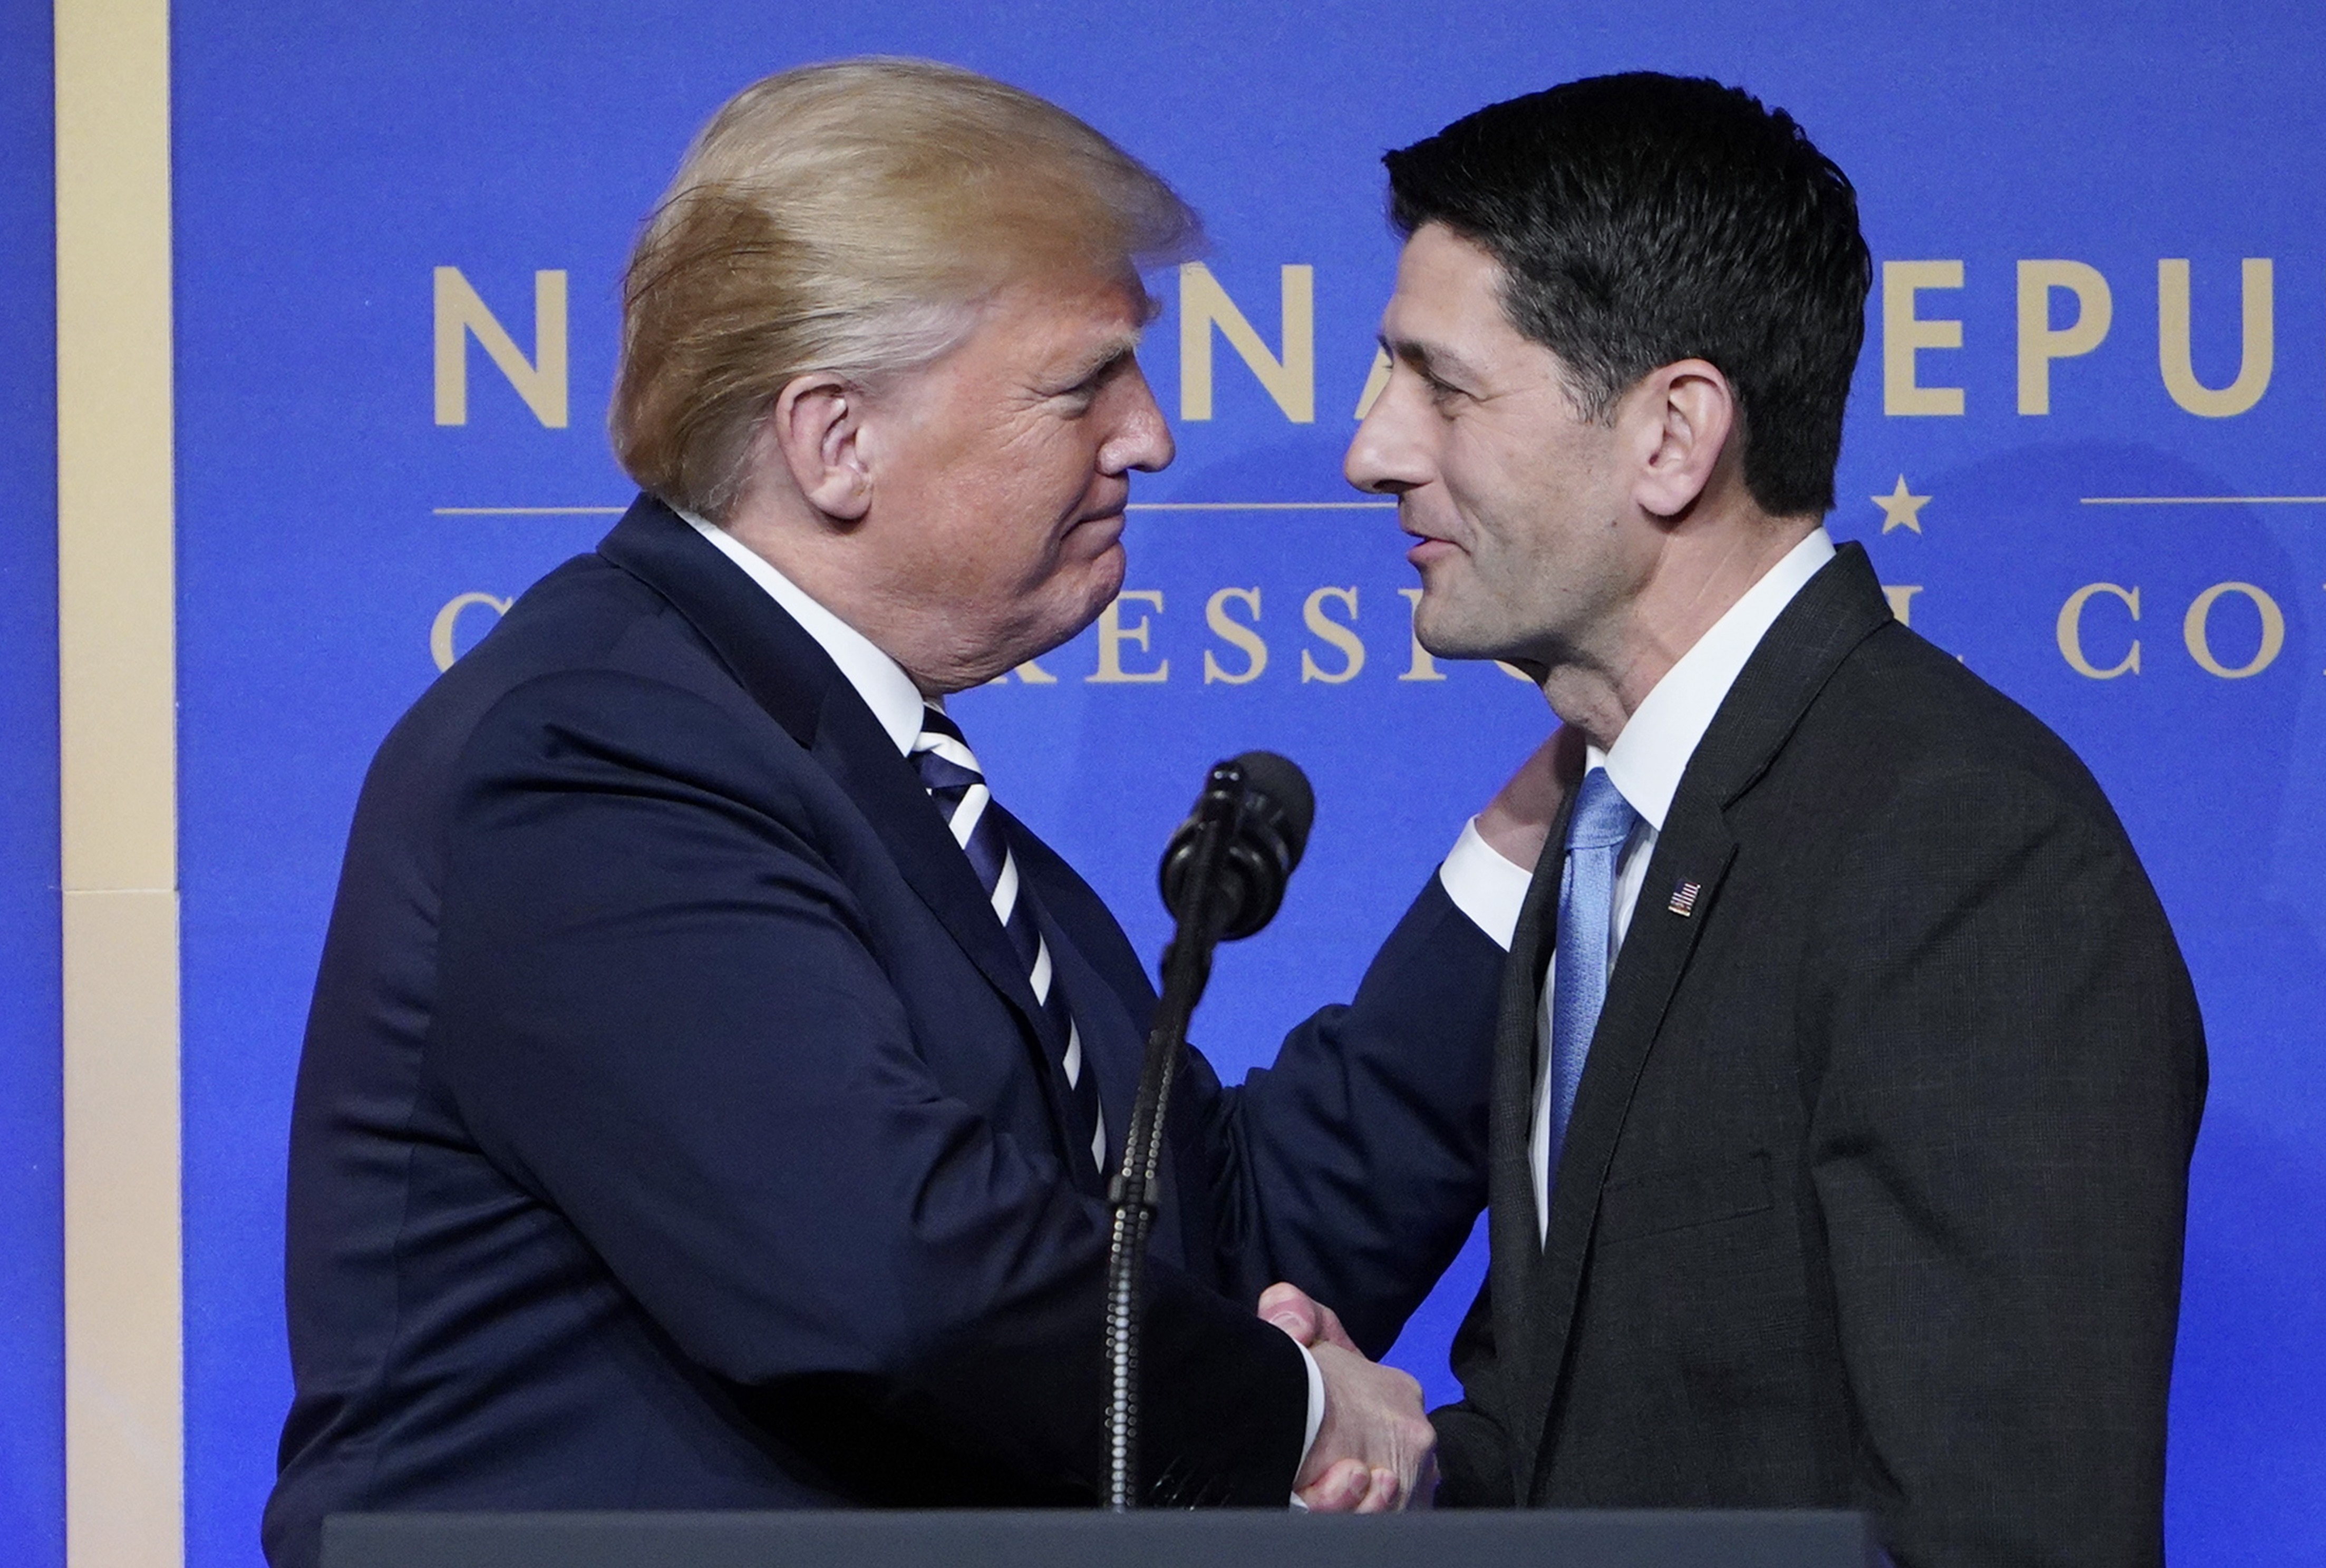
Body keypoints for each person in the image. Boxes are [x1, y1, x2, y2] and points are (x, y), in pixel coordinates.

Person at [264, 60, 1503, 1565]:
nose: (1148, 436)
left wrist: (1531, 848)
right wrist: (1299, 1419)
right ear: (834, 439)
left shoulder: (890, 784)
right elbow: (889, 1272)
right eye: (1081, 381)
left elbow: (1200, 1247)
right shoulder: (598, 747)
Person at [1294, 72, 2207, 1566]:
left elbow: (2012, 1533)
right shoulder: (1607, 832)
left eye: (1438, 385)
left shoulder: (1963, 855)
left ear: (1672, 435)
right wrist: (1405, 1461)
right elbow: (1613, 1443)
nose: (1372, 450)